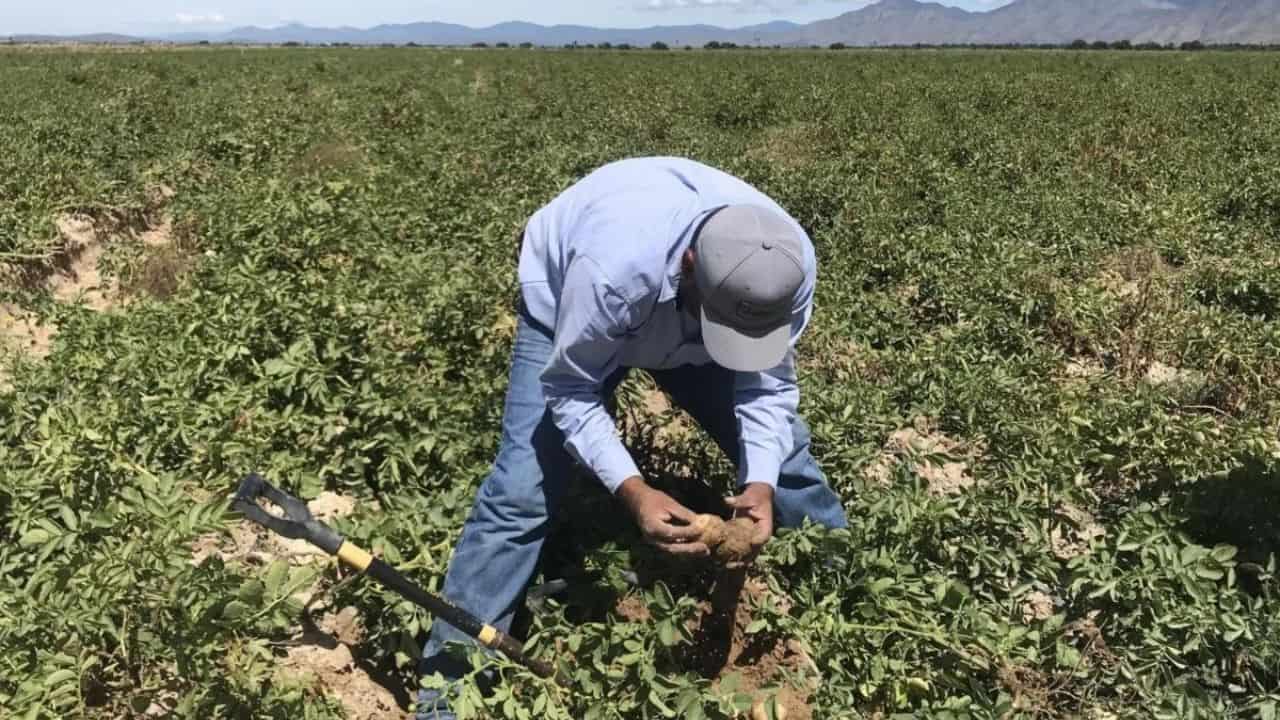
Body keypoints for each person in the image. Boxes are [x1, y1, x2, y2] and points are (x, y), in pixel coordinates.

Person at [417, 156, 848, 719]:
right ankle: (445, 698)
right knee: (520, 494)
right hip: (574, 308)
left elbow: (765, 388)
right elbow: (572, 389)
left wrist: (761, 482)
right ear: (690, 265)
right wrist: (633, 490)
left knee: (784, 455)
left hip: (683, 315)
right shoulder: (611, 270)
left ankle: (845, 589)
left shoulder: (785, 267)